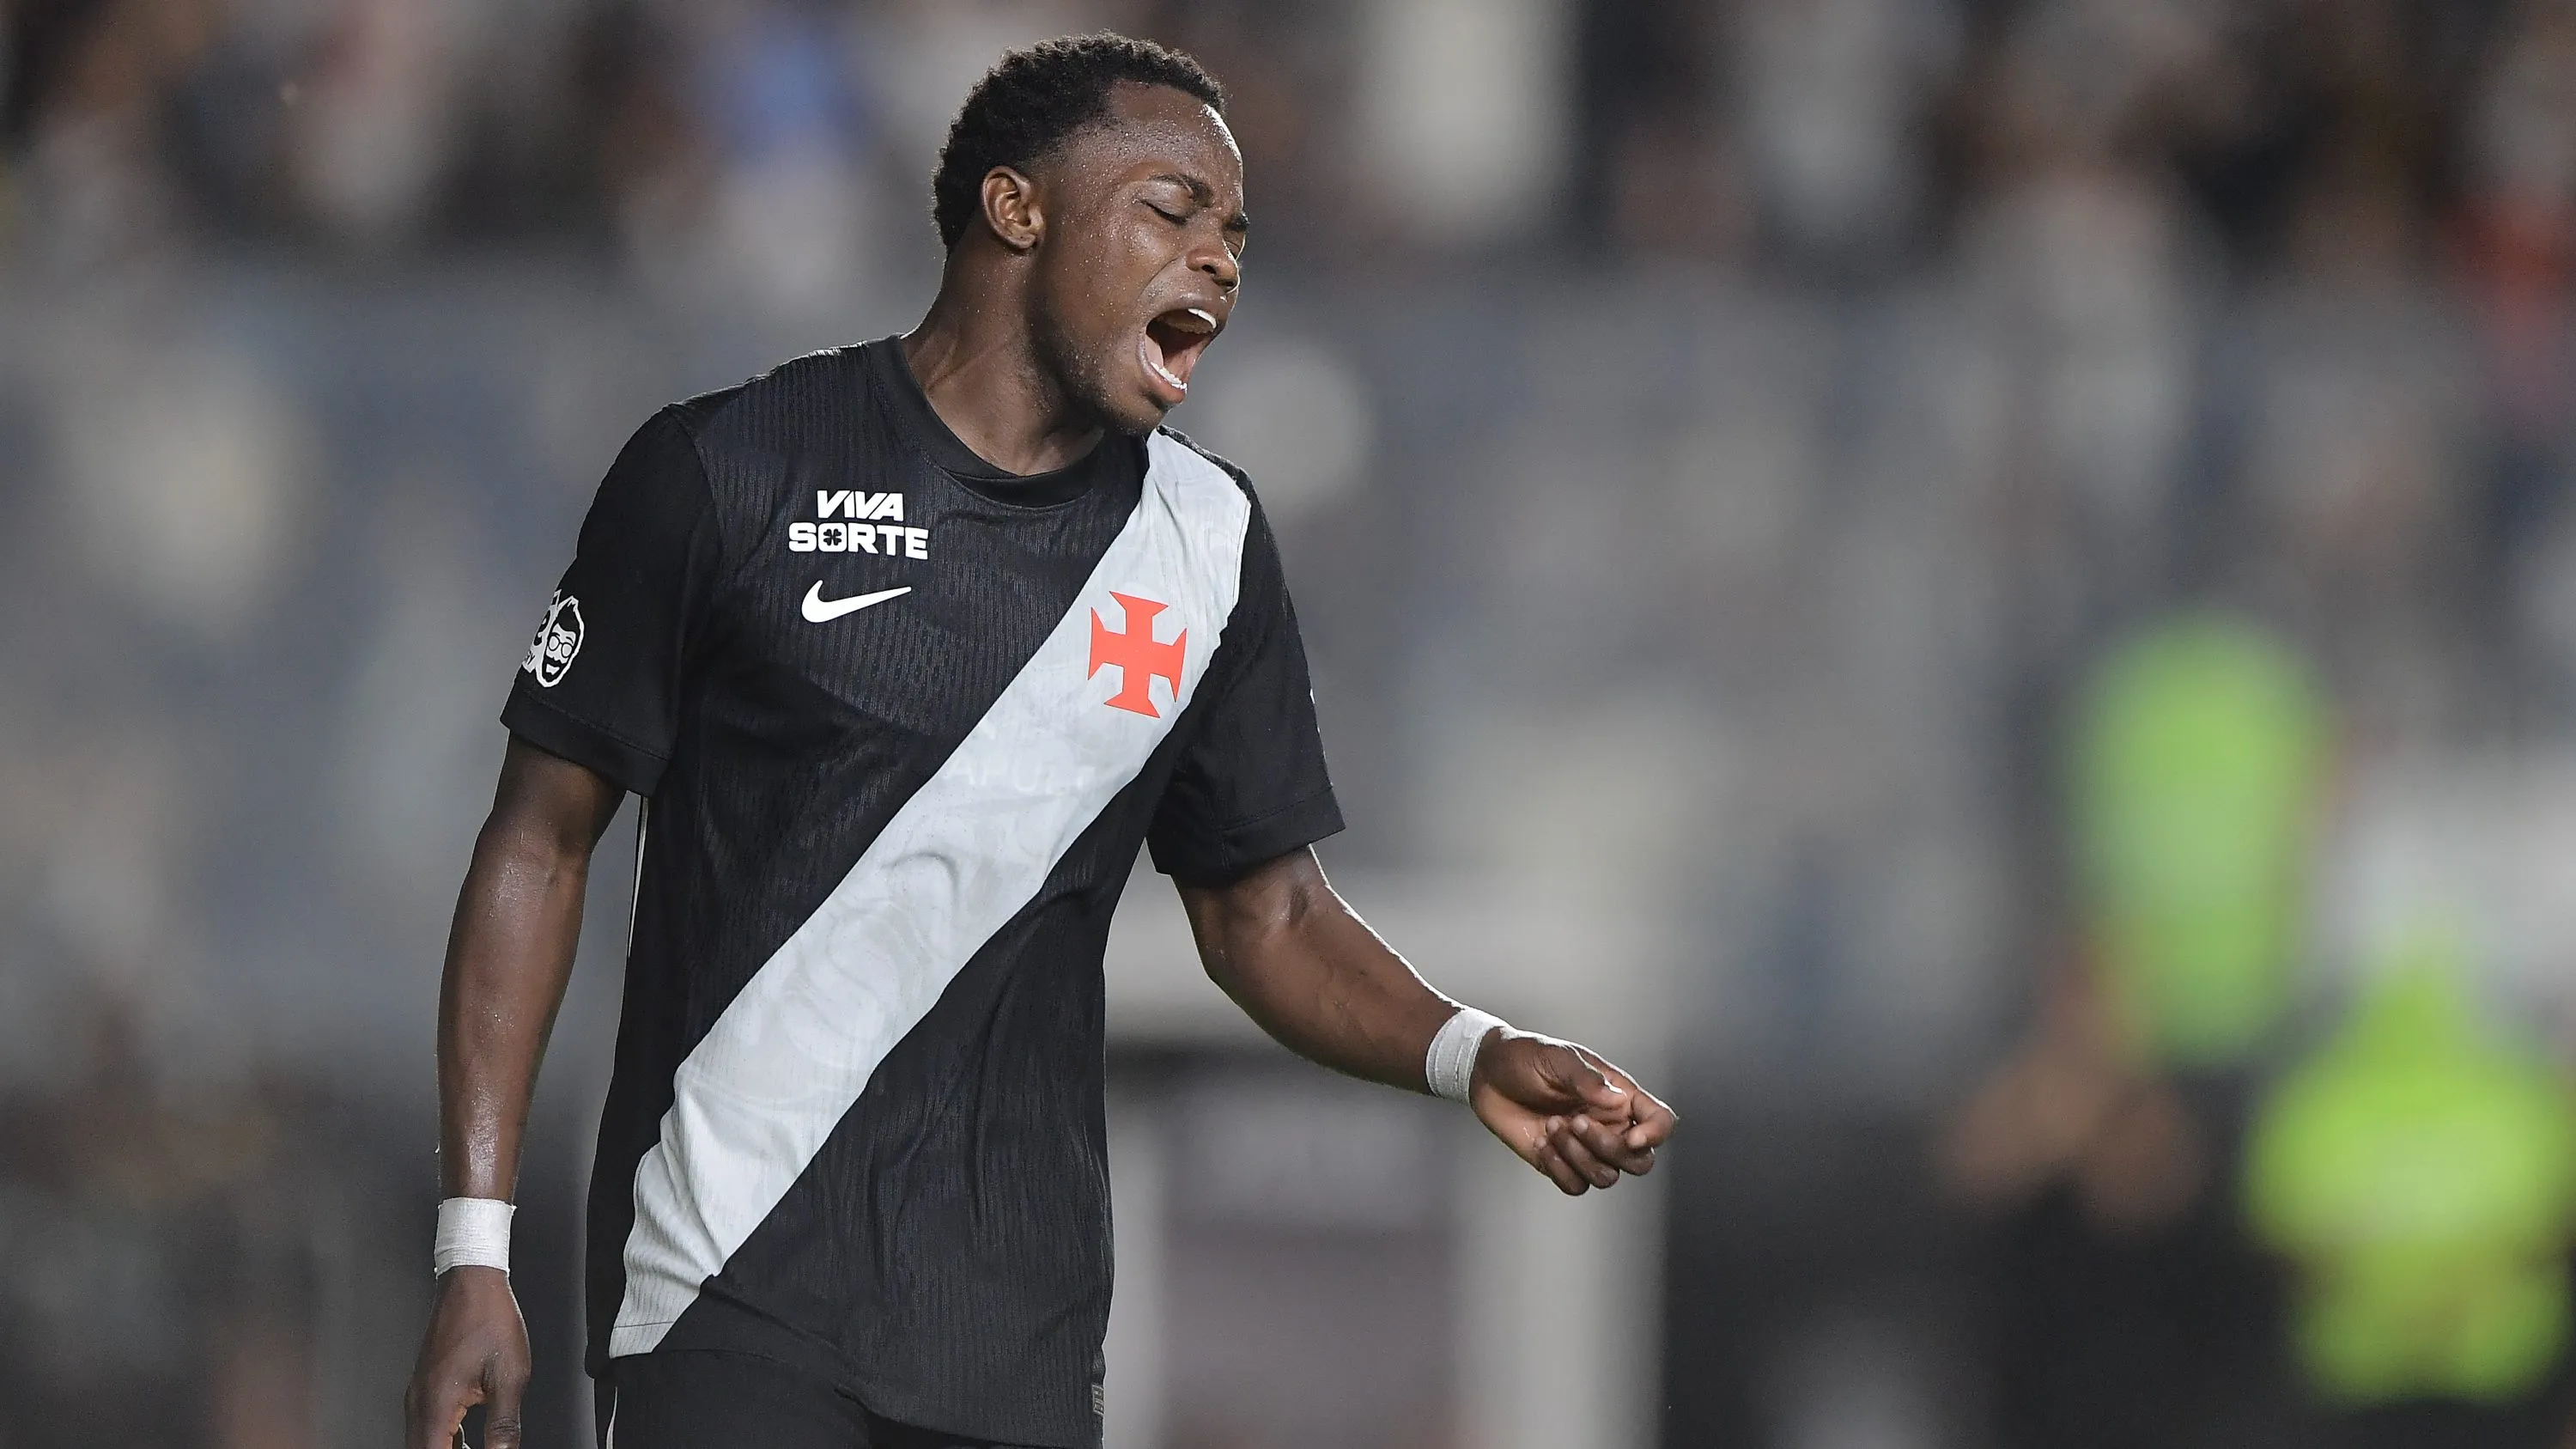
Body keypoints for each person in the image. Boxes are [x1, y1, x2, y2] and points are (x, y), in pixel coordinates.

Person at [403, 33, 1677, 1449]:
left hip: (1015, 1343)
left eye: (1237, 231)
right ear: (1017, 211)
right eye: (1172, 209)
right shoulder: (730, 470)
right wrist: (477, 1248)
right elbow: (539, 838)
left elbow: (1266, 910)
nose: (1219, 259)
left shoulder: (1205, 547)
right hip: (722, 1295)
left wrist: (1468, 1048)